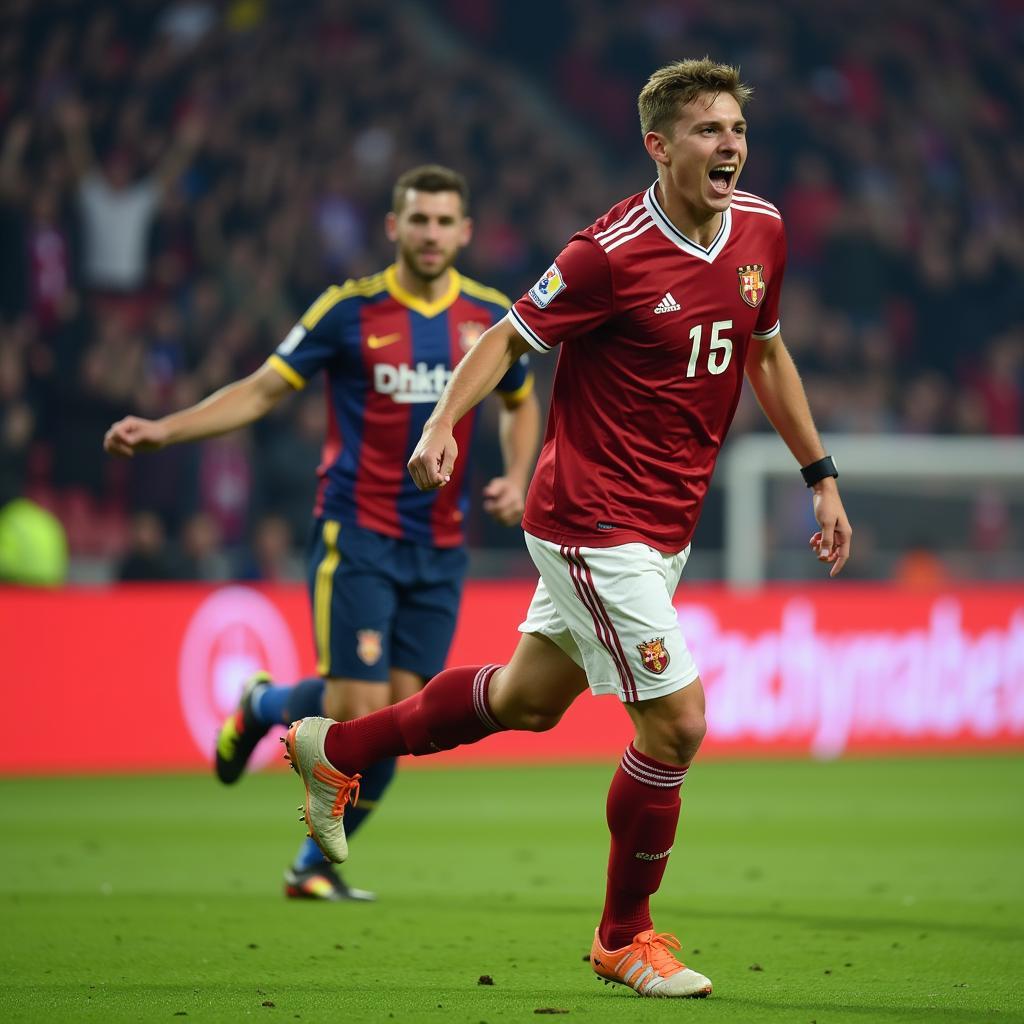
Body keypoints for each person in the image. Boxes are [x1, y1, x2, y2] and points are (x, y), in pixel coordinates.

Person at [281, 59, 852, 998]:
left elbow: (767, 351)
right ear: (658, 145)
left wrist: (820, 475)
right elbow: (503, 337)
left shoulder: (763, 231)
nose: (731, 147)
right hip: (590, 516)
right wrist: (441, 423)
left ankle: (333, 749)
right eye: (709, 131)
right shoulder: (608, 253)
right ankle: (624, 936)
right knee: (677, 724)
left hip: (666, 523)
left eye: (738, 130)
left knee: (525, 700)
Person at [104, 164, 541, 900]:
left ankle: (309, 868)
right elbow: (265, 387)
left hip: (440, 544)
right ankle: (262, 707)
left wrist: (517, 474)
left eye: (444, 222)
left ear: (465, 232)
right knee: (354, 710)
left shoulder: (489, 316)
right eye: (418, 219)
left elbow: (521, 400)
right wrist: (166, 430)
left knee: (404, 720)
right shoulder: (350, 311)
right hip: (358, 531)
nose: (430, 234)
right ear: (392, 227)